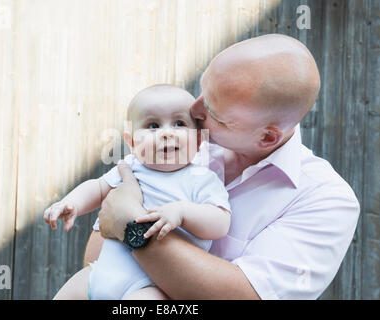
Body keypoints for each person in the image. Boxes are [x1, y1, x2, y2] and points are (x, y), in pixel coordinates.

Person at [55, 34, 360, 300]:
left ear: (268, 137)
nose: (193, 110)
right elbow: (96, 259)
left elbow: (242, 296)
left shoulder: (325, 200)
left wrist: (131, 225)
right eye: (201, 90)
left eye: (212, 110)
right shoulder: (178, 146)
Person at [45, 84, 231, 299]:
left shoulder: (201, 179)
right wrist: (72, 202)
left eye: (179, 123)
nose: (167, 133)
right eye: (153, 125)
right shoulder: (130, 167)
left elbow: (220, 222)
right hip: (99, 274)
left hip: (151, 285)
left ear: (198, 140)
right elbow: (97, 187)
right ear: (132, 141)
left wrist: (183, 212)